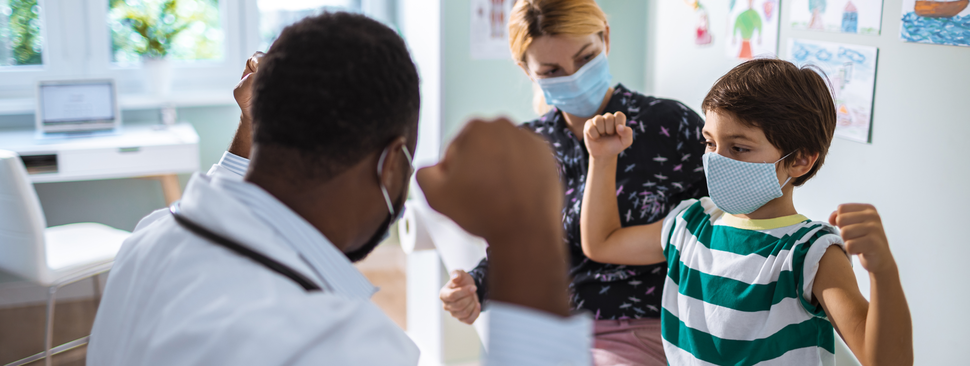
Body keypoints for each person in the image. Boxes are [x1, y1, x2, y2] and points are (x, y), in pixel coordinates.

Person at [86, 12, 593, 366]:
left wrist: (248, 133)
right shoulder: (335, 346)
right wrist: (527, 233)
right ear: (392, 163)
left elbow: (230, 198)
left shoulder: (148, 240)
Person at [580, 59, 913, 365]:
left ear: (800, 160)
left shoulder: (810, 252)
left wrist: (882, 270)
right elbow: (602, 243)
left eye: (739, 148)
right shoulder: (690, 225)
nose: (717, 159)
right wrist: (602, 158)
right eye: (710, 143)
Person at [439, 1, 707, 364]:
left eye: (585, 59)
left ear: (605, 40)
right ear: (527, 70)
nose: (574, 77)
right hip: (549, 330)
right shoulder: (527, 148)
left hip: (645, 327)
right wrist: (475, 286)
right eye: (552, 70)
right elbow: (518, 248)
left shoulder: (670, 125)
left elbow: (718, 230)